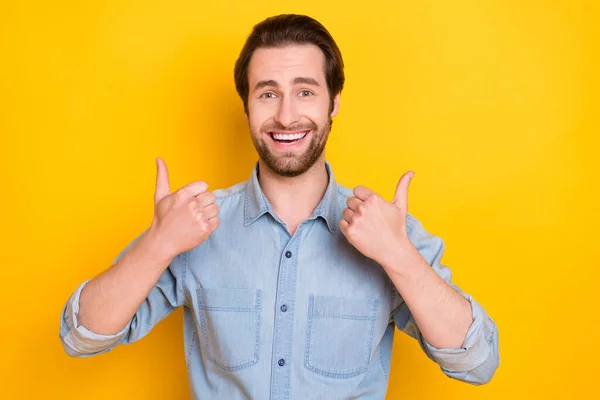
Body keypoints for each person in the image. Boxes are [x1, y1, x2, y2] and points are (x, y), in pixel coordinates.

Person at [59, 14, 499, 399]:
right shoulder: (192, 226)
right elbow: (81, 337)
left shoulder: (388, 231)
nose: (287, 117)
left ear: (334, 102)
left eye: (305, 92)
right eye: (268, 93)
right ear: (246, 104)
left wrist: (399, 257)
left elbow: (477, 362)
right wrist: (158, 244)